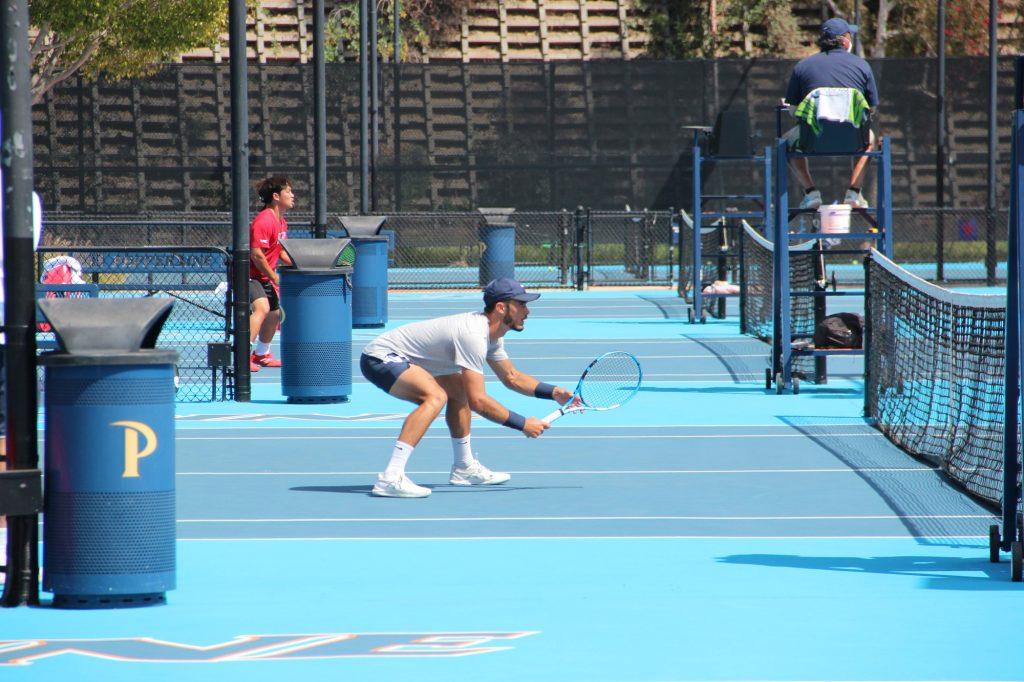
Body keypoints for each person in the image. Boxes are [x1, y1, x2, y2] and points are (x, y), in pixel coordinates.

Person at [359, 277, 574, 498]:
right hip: (380, 357)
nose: (527, 311)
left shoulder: (492, 336)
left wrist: (555, 392)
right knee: (435, 397)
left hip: (405, 359)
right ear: (501, 308)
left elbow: (512, 377)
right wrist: (523, 424)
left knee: (458, 390)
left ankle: (464, 468)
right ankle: (391, 477)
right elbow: (478, 401)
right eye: (521, 304)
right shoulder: (473, 335)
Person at [782, 17, 879, 210]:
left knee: (785, 143)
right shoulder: (862, 66)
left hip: (812, 139)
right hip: (854, 139)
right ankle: (854, 192)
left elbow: (793, 111)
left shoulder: (802, 67)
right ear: (844, 40)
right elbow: (871, 109)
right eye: (850, 35)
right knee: (872, 140)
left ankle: (810, 193)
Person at [248, 176, 294, 372]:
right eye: (289, 192)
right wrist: (274, 276)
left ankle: (261, 354)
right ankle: (242, 356)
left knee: (274, 315)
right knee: (262, 309)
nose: (293, 195)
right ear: (276, 196)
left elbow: (281, 251)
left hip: (264, 276)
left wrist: (300, 262)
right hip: (249, 276)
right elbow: (257, 255)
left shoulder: (281, 222)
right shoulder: (264, 220)